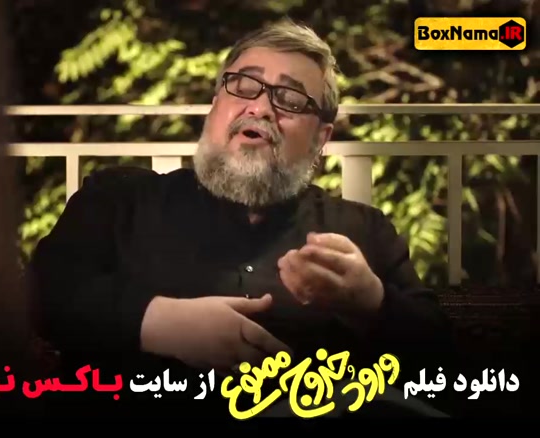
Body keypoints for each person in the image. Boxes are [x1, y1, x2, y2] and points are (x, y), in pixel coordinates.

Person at [30, 18, 454, 418]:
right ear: (215, 105)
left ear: (321, 138)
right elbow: (40, 292)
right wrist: (160, 322)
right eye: (244, 86)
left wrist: (373, 303)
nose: (261, 108)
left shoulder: (362, 231)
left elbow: (443, 362)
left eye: (290, 99)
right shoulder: (120, 199)